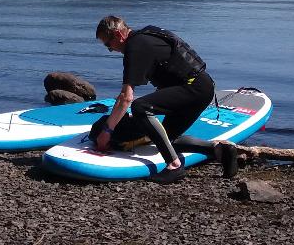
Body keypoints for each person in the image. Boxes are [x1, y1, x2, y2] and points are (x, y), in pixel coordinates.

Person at [92, 15, 237, 183]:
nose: (111, 50)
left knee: (141, 107)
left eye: (109, 45)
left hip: (192, 88)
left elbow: (126, 97)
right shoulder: (147, 36)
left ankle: (174, 166)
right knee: (167, 140)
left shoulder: (135, 47)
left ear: (118, 34)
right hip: (202, 87)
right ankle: (219, 151)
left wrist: (106, 132)